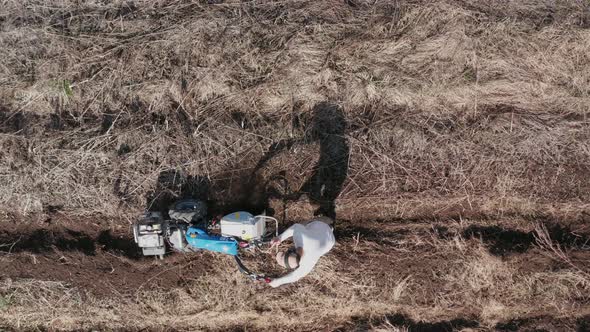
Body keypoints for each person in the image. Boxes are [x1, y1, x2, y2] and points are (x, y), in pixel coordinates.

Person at [268, 216, 336, 288]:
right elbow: (295, 227)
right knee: (304, 225)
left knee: (320, 243)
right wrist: (280, 238)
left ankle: (330, 229)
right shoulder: (301, 237)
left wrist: (277, 282)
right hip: (321, 226)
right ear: (290, 250)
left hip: (330, 241)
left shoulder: (307, 262)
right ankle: (328, 225)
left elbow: (296, 276)